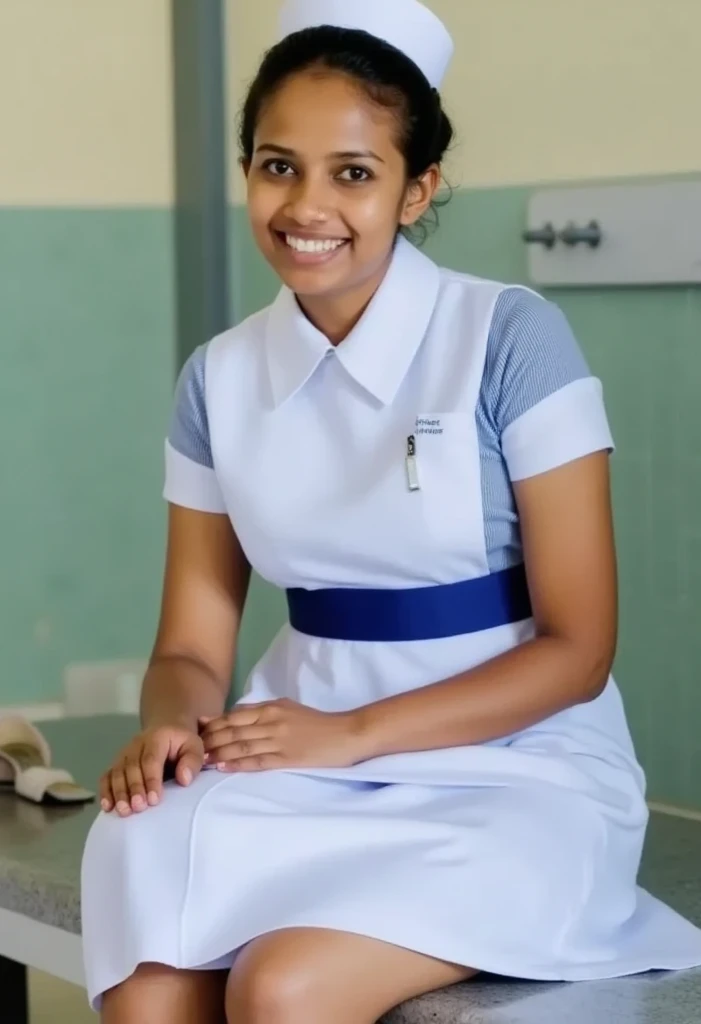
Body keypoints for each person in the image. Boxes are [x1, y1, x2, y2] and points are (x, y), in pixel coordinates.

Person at [81, 0, 701, 1021]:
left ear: (418, 190)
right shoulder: (217, 379)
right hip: (296, 759)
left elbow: (579, 648)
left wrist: (353, 732)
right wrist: (167, 729)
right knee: (146, 977)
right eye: (277, 165)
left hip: (515, 769)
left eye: (353, 173)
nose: (305, 204)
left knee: (280, 986)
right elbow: (191, 647)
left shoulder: (510, 339)